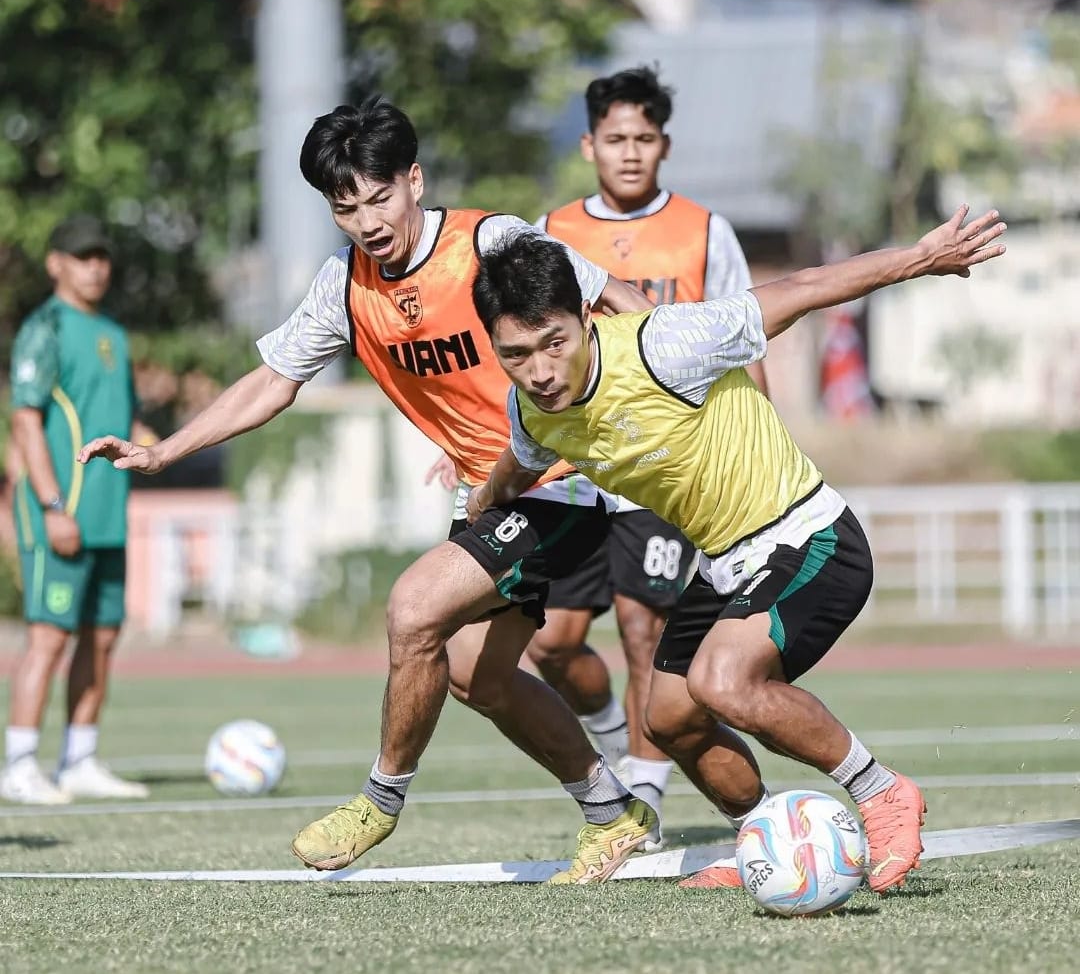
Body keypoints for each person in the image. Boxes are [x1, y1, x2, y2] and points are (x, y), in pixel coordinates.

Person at [79, 97, 667, 884]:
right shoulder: (344, 288)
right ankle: (613, 811)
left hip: (569, 480)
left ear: (415, 180)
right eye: (344, 205)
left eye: (380, 196)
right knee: (475, 676)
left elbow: (616, 301)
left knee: (412, 607)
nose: (366, 220)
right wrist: (163, 451)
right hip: (490, 497)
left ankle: (381, 800)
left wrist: (683, 380)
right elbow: (272, 382)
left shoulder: (493, 242)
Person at [465, 205, 1007, 892]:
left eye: (553, 342)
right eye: (515, 354)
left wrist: (921, 258)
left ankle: (881, 791)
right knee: (667, 718)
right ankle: (766, 837)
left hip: (809, 536)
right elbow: (520, 460)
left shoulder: (665, 345)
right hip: (726, 564)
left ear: (584, 316)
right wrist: (482, 504)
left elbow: (806, 286)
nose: (540, 369)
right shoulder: (532, 407)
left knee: (723, 682)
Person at [527, 65, 769, 847]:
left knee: (642, 627)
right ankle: (609, 726)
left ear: (664, 144)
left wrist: (759, 436)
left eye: (644, 138)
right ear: (590, 143)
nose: (629, 153)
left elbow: (745, 339)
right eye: (614, 139)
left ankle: (646, 795)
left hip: (665, 466)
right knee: (553, 643)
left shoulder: (706, 231)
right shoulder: (551, 231)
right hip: (576, 467)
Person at [1, 215, 149, 805]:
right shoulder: (46, 329)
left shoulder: (114, 332)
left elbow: (129, 424)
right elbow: (25, 422)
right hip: (61, 514)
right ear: (55, 263)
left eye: (101, 256)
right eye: (82, 256)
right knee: (49, 639)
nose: (95, 266)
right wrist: (52, 505)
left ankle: (79, 758)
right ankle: (17, 763)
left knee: (104, 637)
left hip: (110, 517)